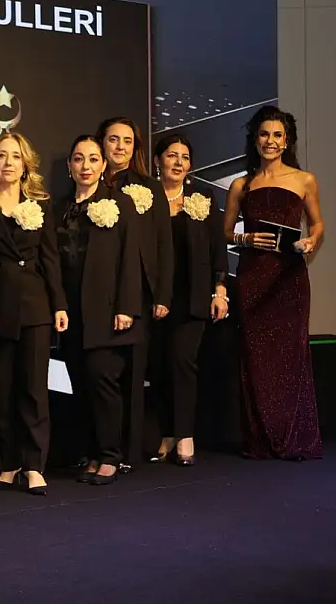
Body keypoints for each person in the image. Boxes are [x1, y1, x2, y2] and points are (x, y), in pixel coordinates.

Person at [223, 105, 324, 460]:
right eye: (264, 134)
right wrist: (247, 239)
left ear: (287, 141)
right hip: (252, 278)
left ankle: (294, 438)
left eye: (277, 135)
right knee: (256, 358)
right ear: (255, 139)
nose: (270, 140)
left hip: (289, 278)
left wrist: (311, 241)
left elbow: (317, 224)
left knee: (291, 356)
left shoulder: (304, 180)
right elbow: (225, 232)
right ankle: (260, 439)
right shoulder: (241, 185)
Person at [0, 132, 67, 496]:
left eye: (15, 156)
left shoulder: (39, 205)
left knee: (33, 390)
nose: (9, 162)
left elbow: (51, 259)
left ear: (26, 164)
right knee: (2, 389)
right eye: (2, 155)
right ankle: (8, 463)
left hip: (35, 306)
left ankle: (34, 465)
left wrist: (59, 304)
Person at [56, 135, 141, 486]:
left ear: (103, 164)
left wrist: (126, 307)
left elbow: (131, 258)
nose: (86, 166)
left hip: (106, 312)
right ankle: (92, 453)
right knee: (81, 385)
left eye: (93, 159)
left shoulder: (120, 203)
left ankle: (110, 456)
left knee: (104, 383)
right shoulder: (60, 207)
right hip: (71, 313)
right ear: (69, 166)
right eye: (79, 159)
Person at [148, 135, 229, 466]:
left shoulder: (202, 198)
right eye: (171, 155)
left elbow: (217, 248)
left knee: (182, 362)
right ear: (158, 160)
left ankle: (185, 435)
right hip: (153, 297)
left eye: (184, 157)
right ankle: (167, 432)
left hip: (192, 296)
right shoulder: (144, 198)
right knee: (158, 365)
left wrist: (219, 290)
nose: (178, 162)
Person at [98, 117, 173, 472]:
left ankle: (127, 452)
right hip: (98, 293)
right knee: (100, 374)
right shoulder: (89, 183)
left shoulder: (149, 187)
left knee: (133, 373)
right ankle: (100, 448)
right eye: (113, 139)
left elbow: (163, 245)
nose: (120, 147)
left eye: (127, 141)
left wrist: (162, 296)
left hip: (139, 292)